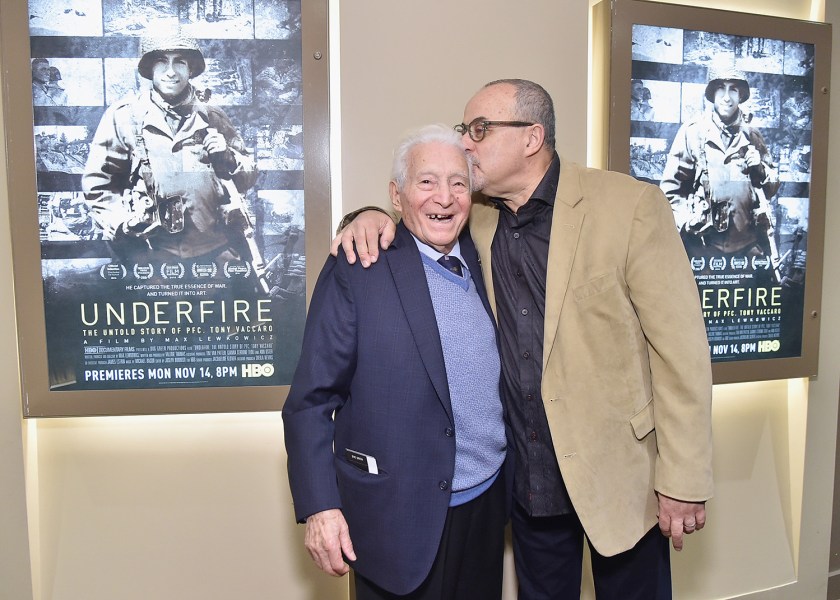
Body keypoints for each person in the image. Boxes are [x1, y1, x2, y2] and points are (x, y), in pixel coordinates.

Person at [334, 79, 713, 599]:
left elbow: (682, 355)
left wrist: (683, 479)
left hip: (622, 483)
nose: (465, 143)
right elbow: (420, 218)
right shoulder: (478, 219)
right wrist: (367, 216)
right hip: (530, 485)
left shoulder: (629, 206)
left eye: (480, 129)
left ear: (532, 137)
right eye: (464, 129)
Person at [284, 124, 510, 600]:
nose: (444, 198)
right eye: (427, 182)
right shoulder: (360, 266)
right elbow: (310, 400)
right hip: (397, 518)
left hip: (486, 506)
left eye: (458, 183)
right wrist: (320, 508)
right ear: (397, 194)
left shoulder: (479, 252)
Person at [81, 32, 258, 278]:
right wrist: (122, 223)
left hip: (214, 253)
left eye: (180, 62)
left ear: (191, 69)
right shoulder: (124, 117)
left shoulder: (213, 116)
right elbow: (99, 183)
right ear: (150, 68)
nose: (171, 71)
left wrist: (229, 157)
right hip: (148, 255)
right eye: (162, 61)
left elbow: (249, 174)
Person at [660, 67, 780, 281]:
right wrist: (688, 220)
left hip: (746, 249)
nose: (726, 97)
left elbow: (771, 187)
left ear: (741, 95)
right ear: (712, 94)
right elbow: (669, 191)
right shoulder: (692, 132)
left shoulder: (752, 135)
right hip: (702, 249)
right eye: (720, 89)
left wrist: (760, 168)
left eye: (733, 89)